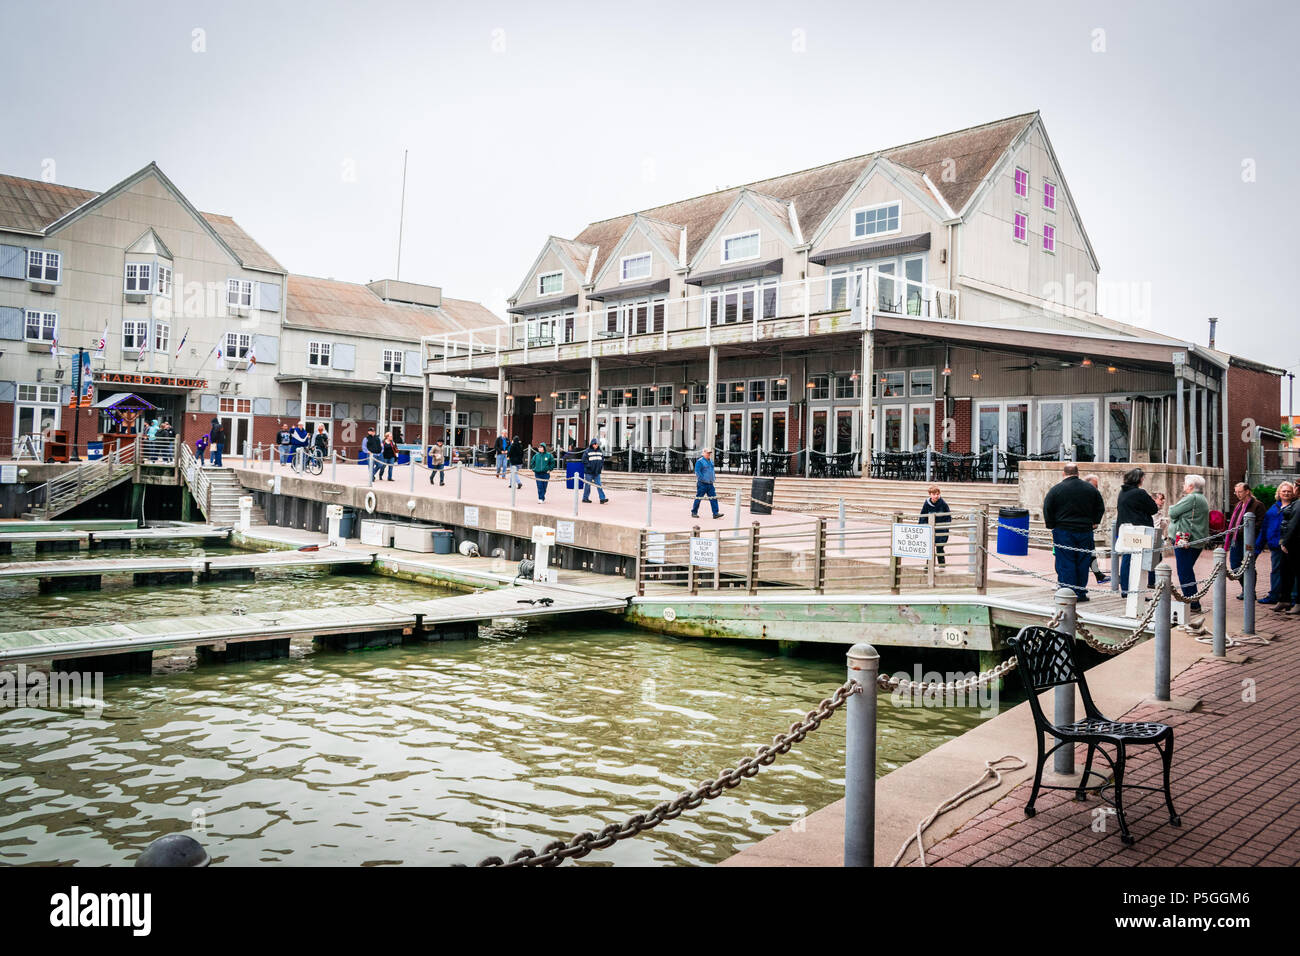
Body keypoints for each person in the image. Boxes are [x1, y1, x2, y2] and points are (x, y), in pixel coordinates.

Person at [1042, 462, 1104, 602]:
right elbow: (1100, 507)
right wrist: (1095, 522)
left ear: (1064, 474)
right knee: (1082, 562)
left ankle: (1067, 592)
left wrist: (1051, 525)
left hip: (1063, 530)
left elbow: (1047, 508)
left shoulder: (1056, 489)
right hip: (1085, 530)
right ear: (1078, 473)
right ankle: (1080, 592)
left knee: (1066, 562)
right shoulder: (1090, 489)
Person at [1168, 474, 1210, 614]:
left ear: (1191, 486)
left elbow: (1173, 512)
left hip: (1186, 541)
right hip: (1194, 540)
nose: (1183, 486)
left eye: (1185, 484)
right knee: (1186, 570)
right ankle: (1191, 600)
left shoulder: (1192, 498)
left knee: (1184, 571)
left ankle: (1192, 603)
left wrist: (1174, 513)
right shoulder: (1201, 498)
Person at [1115, 467, 1159, 596]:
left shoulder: (1122, 492)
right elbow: (1153, 509)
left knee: (1127, 558)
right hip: (1140, 529)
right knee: (1141, 559)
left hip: (1125, 528)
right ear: (1139, 479)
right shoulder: (1140, 493)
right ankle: (1137, 589)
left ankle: (1125, 588)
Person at [1225, 482, 1267, 600]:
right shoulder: (1238, 505)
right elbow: (1234, 522)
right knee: (1235, 566)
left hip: (1248, 541)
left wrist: (1243, 531)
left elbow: (1260, 522)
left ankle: (1249, 591)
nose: (1237, 494)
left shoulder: (1257, 505)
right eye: (1236, 492)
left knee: (1248, 565)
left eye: (1240, 492)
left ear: (1247, 491)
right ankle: (1245, 588)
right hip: (1236, 540)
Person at [1260, 482, 1296, 606]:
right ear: (1279, 493)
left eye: (1289, 491)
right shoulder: (1273, 508)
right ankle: (1274, 595)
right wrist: (1258, 546)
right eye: (1284, 491)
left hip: (1289, 546)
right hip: (1274, 545)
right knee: (1275, 570)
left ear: (1293, 493)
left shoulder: (1294, 507)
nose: (1286, 493)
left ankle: (1291, 597)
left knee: (1291, 572)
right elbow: (1265, 528)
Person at [1082, 474, 1110, 584]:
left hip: (1087, 527)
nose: (1097, 488)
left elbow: (1100, 508)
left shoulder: (1092, 494)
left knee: (1091, 554)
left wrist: (1095, 521)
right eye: (1095, 485)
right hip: (1081, 528)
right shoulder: (1086, 493)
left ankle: (1098, 575)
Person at [1276, 485, 1300, 615]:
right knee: (1285, 572)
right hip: (1289, 541)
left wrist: (1285, 542)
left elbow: (1294, 524)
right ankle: (1284, 599)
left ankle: (1298, 603)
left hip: (1294, 543)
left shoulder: (1298, 504)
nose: (1293, 489)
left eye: (1295, 486)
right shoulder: (1296, 503)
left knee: (1296, 573)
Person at [919, 484, 950, 566]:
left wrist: (945, 526)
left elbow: (948, 516)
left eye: (937, 494)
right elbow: (923, 515)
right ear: (930, 495)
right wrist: (922, 526)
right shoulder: (927, 503)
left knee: (940, 548)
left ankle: (942, 566)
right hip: (930, 530)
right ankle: (928, 566)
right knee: (929, 549)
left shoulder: (943, 503)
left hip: (941, 530)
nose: (936, 496)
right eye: (934, 494)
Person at [690, 447, 723, 519]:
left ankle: (715, 513)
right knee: (698, 498)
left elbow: (712, 471)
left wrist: (713, 478)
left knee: (713, 498)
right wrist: (703, 479)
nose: (709, 454)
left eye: (709, 453)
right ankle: (694, 512)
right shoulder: (700, 461)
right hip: (702, 484)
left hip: (710, 484)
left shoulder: (711, 461)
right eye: (707, 453)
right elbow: (697, 472)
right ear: (703, 453)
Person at [581, 438, 609, 504]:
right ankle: (585, 498)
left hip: (597, 472)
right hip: (589, 472)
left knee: (599, 485)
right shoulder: (587, 451)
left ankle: (602, 499)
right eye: (595, 444)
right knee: (587, 485)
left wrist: (600, 467)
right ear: (592, 444)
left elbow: (602, 460)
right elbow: (584, 460)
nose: (596, 445)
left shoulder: (600, 451)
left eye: (597, 444)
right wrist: (589, 466)